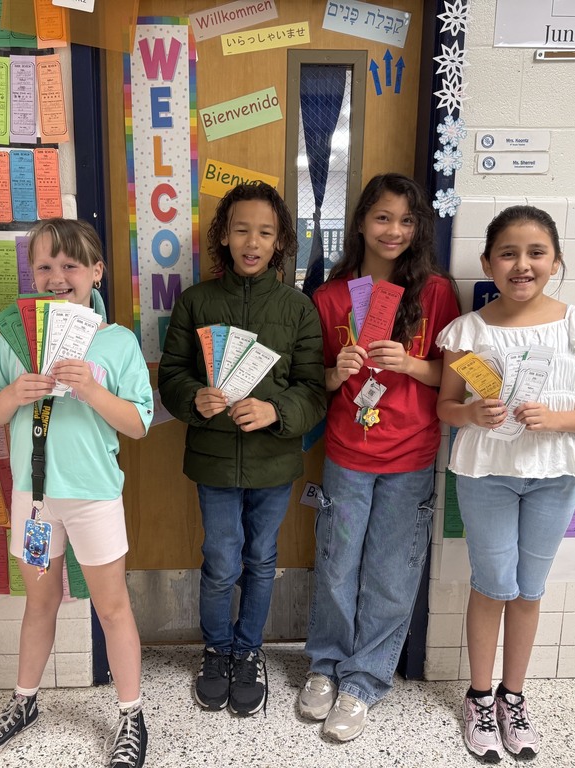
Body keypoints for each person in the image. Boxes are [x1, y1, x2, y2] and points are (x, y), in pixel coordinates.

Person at [0, 218, 153, 768]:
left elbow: (139, 423)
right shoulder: (15, 339)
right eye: (44, 266)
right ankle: (24, 703)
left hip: (94, 495)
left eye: (70, 264)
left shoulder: (116, 342)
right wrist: (14, 394)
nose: (56, 276)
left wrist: (91, 389)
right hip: (35, 497)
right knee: (40, 602)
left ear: (96, 272)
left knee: (112, 606)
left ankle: (131, 714)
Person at [436, 205, 575, 762]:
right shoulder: (468, 330)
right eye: (508, 253)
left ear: (556, 261)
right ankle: (479, 698)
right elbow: (445, 407)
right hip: (487, 474)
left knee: (529, 589)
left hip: (553, 475)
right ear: (488, 261)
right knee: (493, 585)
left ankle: (513, 697)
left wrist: (555, 420)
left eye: (536, 253)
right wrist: (471, 414)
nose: (522, 264)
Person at [299, 173, 460, 742]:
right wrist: (335, 372)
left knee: (392, 574)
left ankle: (364, 680)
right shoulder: (330, 297)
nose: (394, 230)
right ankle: (325, 665)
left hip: (411, 455)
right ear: (362, 222)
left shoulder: (436, 293)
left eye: (407, 220)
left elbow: (453, 378)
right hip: (348, 452)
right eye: (383, 217)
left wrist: (410, 364)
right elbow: (311, 380)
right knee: (337, 564)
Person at [158, 181, 326, 716]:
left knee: (261, 558)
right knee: (220, 559)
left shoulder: (298, 309)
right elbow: (172, 375)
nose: (253, 242)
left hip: (274, 460)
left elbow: (313, 390)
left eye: (265, 233)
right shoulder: (197, 301)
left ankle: (249, 649)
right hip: (213, 460)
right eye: (242, 230)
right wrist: (193, 397)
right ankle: (217, 649)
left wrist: (276, 411)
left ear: (280, 243)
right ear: (224, 237)